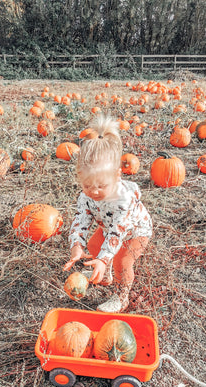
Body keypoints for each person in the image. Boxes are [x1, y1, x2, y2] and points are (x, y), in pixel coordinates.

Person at [63, 115, 153, 313]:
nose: (94, 191)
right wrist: (76, 245)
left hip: (135, 231)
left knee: (123, 262)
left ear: (117, 175)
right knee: (95, 245)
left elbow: (116, 234)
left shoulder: (123, 200)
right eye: (87, 185)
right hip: (108, 226)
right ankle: (105, 275)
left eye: (101, 186)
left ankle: (122, 297)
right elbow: (81, 220)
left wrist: (104, 259)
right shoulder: (85, 196)